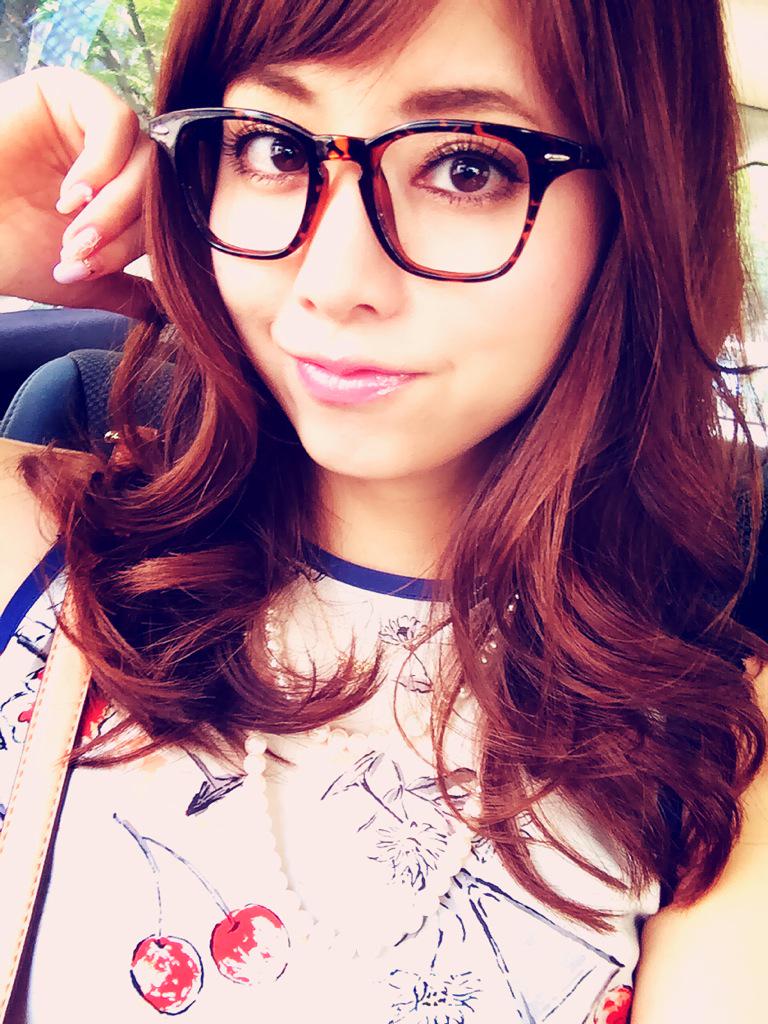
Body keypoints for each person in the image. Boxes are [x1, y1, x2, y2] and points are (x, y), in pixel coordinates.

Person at [0, 0, 767, 1021]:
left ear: (641, 203)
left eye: (468, 166)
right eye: (274, 148)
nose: (334, 281)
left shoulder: (718, 754)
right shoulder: (47, 547)